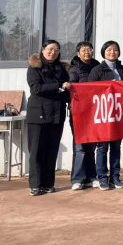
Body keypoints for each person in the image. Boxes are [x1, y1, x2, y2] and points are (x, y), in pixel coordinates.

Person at [26, 40, 72, 196]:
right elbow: (36, 88)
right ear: (43, 50)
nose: (53, 52)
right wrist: (59, 87)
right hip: (38, 115)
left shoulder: (62, 69)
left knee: (52, 151)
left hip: (57, 115)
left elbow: (67, 90)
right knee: (37, 151)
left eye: (56, 50)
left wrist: (65, 89)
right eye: (50, 49)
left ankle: (48, 183)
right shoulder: (34, 68)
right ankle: (35, 185)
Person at [88, 41, 123, 191]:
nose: (112, 52)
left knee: (116, 147)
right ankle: (102, 178)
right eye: (109, 49)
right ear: (103, 52)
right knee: (102, 148)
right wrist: (107, 85)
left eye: (115, 49)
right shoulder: (97, 70)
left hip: (119, 113)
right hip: (104, 114)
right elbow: (90, 89)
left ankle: (115, 177)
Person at [68, 41, 100, 191]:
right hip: (79, 113)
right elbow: (72, 90)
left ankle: (91, 177)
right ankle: (77, 179)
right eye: (84, 50)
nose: (87, 52)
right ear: (78, 53)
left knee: (91, 146)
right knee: (80, 147)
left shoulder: (98, 67)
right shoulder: (74, 69)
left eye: (89, 49)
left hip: (95, 112)